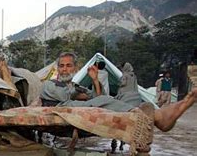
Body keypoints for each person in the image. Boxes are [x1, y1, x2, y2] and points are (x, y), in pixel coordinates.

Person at [40, 52, 197, 132]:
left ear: (75, 68)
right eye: (62, 66)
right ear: (57, 68)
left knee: (130, 96)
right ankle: (159, 117)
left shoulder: (76, 86)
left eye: (69, 66)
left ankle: (149, 113)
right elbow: (62, 96)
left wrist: (95, 80)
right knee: (100, 103)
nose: (65, 69)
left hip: (82, 104)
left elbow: (97, 97)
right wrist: (77, 92)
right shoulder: (49, 84)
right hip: (64, 107)